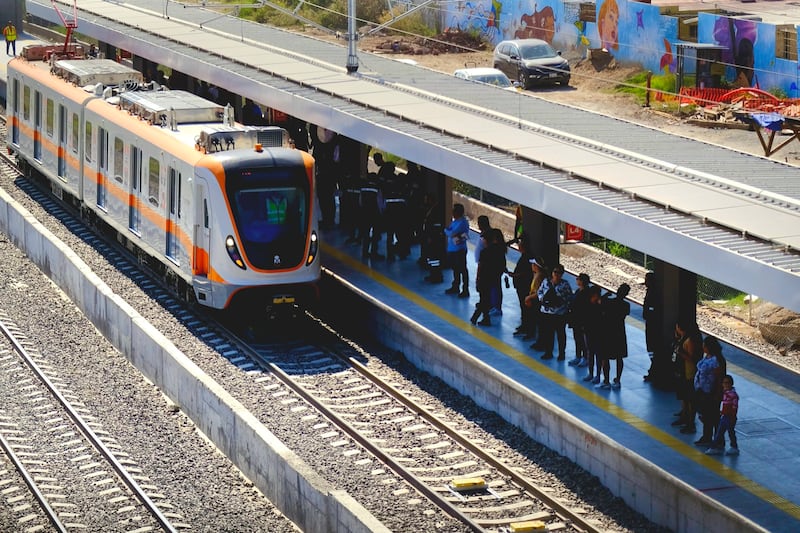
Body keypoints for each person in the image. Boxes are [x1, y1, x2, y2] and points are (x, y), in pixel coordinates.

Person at [693, 336, 727, 447]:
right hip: (702, 390)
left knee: (714, 416)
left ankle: (718, 439)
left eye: (705, 345)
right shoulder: (707, 357)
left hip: (711, 392)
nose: (703, 347)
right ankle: (707, 436)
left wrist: (717, 393)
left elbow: (718, 378)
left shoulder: (716, 361)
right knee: (706, 415)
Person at [596, 284, 630, 389]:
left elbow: (599, 302)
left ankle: (606, 381)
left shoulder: (609, 302)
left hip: (608, 331)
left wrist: (606, 295)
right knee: (619, 357)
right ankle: (618, 380)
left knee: (605, 357)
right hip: (619, 332)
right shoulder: (626, 305)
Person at [671, 319, 703, 434]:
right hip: (682, 371)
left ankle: (690, 422)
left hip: (688, 372)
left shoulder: (689, 341)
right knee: (684, 396)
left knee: (689, 398)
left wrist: (681, 353)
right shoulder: (682, 338)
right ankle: (684, 416)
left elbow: (692, 358)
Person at [536, 264, 573, 361]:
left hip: (560, 314)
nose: (557, 274)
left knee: (560, 334)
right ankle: (548, 352)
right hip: (547, 312)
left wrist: (560, 301)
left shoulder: (565, 285)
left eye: (559, 272)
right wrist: (542, 300)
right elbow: (539, 292)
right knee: (548, 333)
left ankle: (561, 353)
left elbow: (569, 297)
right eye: (555, 272)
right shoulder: (546, 282)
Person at [471, 229, 506, 326]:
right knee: (485, 299)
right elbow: (502, 264)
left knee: (484, 299)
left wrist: (477, 279)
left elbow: (480, 267)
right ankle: (485, 318)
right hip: (493, 277)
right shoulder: (499, 251)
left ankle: (477, 316)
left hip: (484, 278)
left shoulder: (485, 252)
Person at [705, 374, 740, 456]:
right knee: (720, 432)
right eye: (724, 383)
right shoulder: (725, 393)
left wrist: (732, 416)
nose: (725, 385)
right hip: (724, 416)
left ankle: (733, 447)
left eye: (727, 383)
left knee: (730, 432)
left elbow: (734, 407)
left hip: (729, 417)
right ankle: (715, 447)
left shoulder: (733, 395)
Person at [509, 233, 534, 335]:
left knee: (526, 308)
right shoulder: (525, 256)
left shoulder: (526, 258)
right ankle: (524, 325)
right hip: (521, 286)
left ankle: (528, 328)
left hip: (524, 286)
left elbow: (525, 273)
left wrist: (515, 275)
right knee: (523, 307)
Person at [444, 203, 469, 298]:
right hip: (453, 249)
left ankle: (465, 289)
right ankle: (455, 286)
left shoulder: (462, 223)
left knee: (462, 269)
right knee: (455, 269)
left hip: (459, 250)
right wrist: (449, 232)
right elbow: (450, 232)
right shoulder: (455, 221)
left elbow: (450, 232)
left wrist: (448, 231)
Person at [567, 273, 591, 368]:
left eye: (578, 279)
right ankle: (578, 356)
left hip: (582, 320)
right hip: (575, 319)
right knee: (577, 338)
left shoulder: (586, 293)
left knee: (583, 339)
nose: (576, 280)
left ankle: (585, 357)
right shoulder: (578, 291)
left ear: (581, 281)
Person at [642, 272, 663, 382]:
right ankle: (654, 370)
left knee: (652, 347)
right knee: (651, 347)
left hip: (652, 324)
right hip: (651, 323)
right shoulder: (651, 291)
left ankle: (654, 370)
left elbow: (653, 308)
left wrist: (648, 314)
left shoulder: (653, 293)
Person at [582, 285, 603, 384]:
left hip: (597, 332)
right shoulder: (588, 305)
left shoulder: (600, 306)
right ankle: (591, 373)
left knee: (598, 354)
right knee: (590, 353)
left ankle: (597, 375)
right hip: (589, 332)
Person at [523, 258, 546, 342]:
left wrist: (529, 298)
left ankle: (537, 338)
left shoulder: (539, 277)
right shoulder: (537, 275)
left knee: (536, 319)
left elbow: (538, 292)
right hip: (534, 299)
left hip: (536, 301)